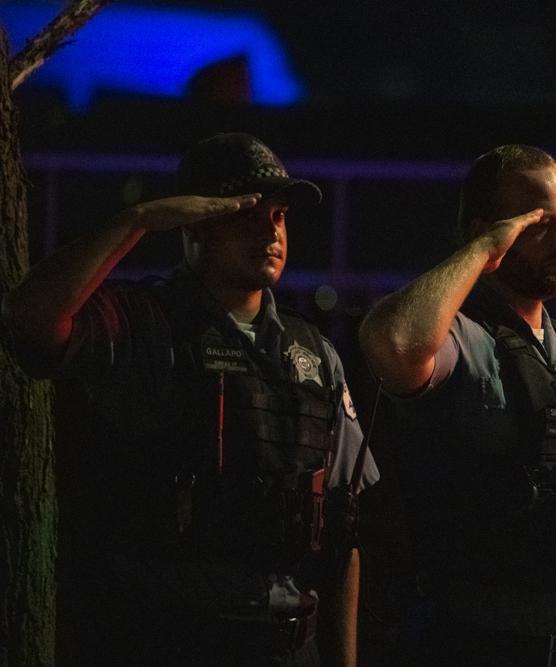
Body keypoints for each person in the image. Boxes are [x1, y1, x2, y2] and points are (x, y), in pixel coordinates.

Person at [1, 132, 378, 666]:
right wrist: (135, 222)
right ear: (193, 219)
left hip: (291, 646)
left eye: (278, 215)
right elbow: (30, 321)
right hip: (167, 640)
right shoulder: (138, 322)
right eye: (246, 211)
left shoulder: (314, 353)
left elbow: (343, 533)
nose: (270, 229)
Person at [358, 144, 556, 667]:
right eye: (541, 225)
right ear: (487, 231)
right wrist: (486, 247)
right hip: (476, 644)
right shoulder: (462, 341)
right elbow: (392, 341)